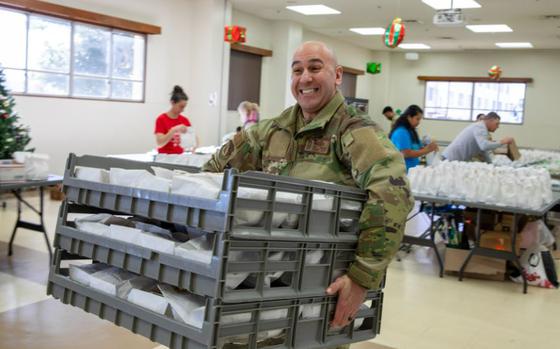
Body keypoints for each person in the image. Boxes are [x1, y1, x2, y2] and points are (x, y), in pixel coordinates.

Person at [203, 41, 413, 340]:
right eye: (297, 70)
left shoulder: (354, 132)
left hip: (318, 292)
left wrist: (361, 277)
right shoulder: (270, 131)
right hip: (258, 285)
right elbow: (211, 174)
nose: (305, 78)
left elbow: (393, 194)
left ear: (337, 75)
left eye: (315, 68)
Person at [442, 112, 513, 163]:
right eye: (496, 124)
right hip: (450, 160)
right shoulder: (480, 127)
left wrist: (491, 164)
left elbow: (483, 151)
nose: (497, 127)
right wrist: (502, 142)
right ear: (490, 120)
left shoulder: (482, 129)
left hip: (454, 160)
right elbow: (484, 146)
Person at [389, 105, 439, 171]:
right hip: (403, 172)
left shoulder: (411, 131)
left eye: (420, 119)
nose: (419, 122)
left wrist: (430, 146)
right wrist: (427, 150)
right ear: (409, 117)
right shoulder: (401, 132)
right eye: (417, 119)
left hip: (412, 170)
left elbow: (420, 149)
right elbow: (406, 153)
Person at [154, 85, 199, 154]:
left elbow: (195, 140)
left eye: (184, 107)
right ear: (172, 103)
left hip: (180, 158)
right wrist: (173, 130)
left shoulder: (184, 120)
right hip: (165, 158)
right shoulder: (161, 119)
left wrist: (194, 147)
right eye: (181, 107)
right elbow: (160, 143)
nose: (183, 110)